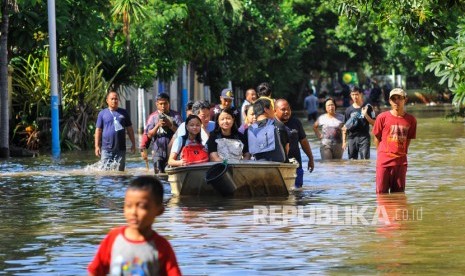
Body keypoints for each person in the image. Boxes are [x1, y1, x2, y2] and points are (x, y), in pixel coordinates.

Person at [88, 176, 181, 275]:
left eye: (142, 206)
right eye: (128, 205)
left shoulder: (161, 247)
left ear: (159, 210)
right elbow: (95, 271)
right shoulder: (113, 239)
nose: (133, 212)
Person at [373, 88, 417, 194]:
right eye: (393, 99)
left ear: (405, 100)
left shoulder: (411, 120)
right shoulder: (382, 117)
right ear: (389, 101)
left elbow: (409, 139)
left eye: (399, 98)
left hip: (401, 162)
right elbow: (376, 137)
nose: (396, 101)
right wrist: (382, 153)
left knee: (399, 195)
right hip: (384, 162)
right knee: (381, 194)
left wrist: (402, 152)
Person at [275, 99, 315, 188]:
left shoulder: (296, 122)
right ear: (275, 111)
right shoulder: (271, 124)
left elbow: (304, 141)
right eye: (283, 109)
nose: (287, 112)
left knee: (297, 194)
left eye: (288, 109)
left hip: (296, 165)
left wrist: (311, 158)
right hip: (278, 166)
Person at [141, 93, 183, 174]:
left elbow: (182, 132)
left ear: (169, 103)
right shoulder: (152, 117)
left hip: (174, 152)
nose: (163, 106)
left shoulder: (176, 116)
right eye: (161, 104)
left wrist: (170, 125)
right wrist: (158, 125)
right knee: (159, 175)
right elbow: (148, 134)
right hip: (158, 152)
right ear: (157, 104)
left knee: (172, 175)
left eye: (165, 103)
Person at [94, 90, 136, 171]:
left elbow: (130, 130)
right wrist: (97, 146)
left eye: (116, 99)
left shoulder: (124, 113)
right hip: (106, 149)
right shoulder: (102, 114)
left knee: (120, 173)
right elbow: (98, 130)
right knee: (105, 173)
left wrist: (133, 144)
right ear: (107, 100)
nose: (114, 101)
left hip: (121, 149)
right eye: (112, 99)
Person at [248, 98, 289, 162]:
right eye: (272, 108)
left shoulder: (249, 130)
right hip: (279, 166)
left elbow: (248, 154)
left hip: (259, 166)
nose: (273, 111)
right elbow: (286, 148)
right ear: (266, 110)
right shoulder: (278, 125)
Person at [342, 86, 376, 159]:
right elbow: (345, 127)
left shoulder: (368, 107)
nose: (355, 97)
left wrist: (365, 115)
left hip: (364, 138)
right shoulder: (348, 110)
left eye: (357, 94)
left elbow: (374, 123)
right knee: (352, 161)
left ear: (361, 94)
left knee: (365, 160)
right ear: (350, 96)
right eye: (353, 94)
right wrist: (344, 142)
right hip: (351, 138)